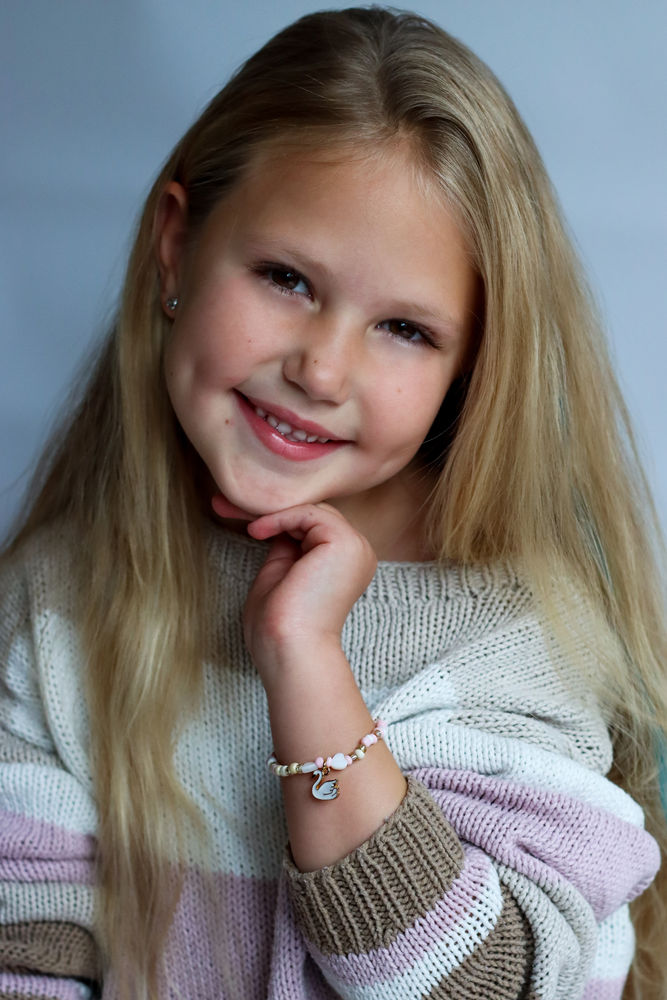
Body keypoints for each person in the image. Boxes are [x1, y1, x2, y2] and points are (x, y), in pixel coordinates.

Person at [1, 7, 665, 999]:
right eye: (286, 279)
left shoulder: (518, 643)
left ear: (471, 368)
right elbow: (25, 954)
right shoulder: (55, 605)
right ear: (176, 245)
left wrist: (307, 669)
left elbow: (474, 987)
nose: (320, 369)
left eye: (404, 329)